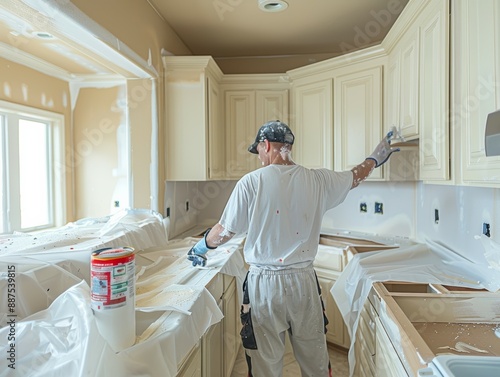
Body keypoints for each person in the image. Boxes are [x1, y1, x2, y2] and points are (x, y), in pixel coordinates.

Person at [187, 120, 399, 376]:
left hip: (264, 286)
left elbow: (224, 232)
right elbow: (355, 176)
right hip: (304, 283)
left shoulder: (251, 182)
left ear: (266, 145)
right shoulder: (318, 179)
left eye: (259, 152)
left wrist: (201, 246)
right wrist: (375, 158)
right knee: (316, 362)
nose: (260, 158)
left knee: (265, 365)